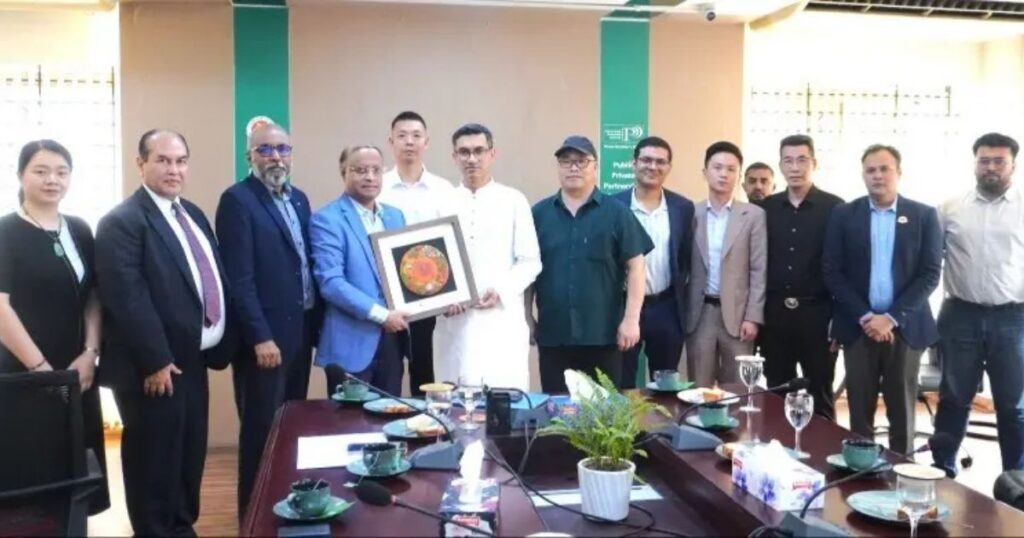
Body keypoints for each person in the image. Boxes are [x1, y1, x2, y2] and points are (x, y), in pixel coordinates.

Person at [95, 130, 235, 535]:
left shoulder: (191, 213)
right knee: (154, 466)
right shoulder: (122, 222)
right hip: (154, 370)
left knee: (188, 458)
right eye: (163, 160)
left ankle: (181, 527)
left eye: (180, 161)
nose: (174, 169)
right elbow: (128, 298)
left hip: (192, 362)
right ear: (140, 164)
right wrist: (156, 360)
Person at [215, 124, 321, 516]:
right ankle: (254, 519)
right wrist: (260, 336)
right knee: (261, 436)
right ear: (250, 156)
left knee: (291, 430)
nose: (275, 156)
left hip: (299, 335)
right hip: (265, 344)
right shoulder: (237, 201)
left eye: (282, 149)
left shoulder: (300, 200)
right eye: (265, 150)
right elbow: (238, 280)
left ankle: (288, 512)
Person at [0, 139, 109, 514]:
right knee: (32, 486)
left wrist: (90, 352)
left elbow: (93, 294)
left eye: (62, 172)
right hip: (24, 372)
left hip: (78, 371)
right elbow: (1, 309)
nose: (52, 180)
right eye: (41, 171)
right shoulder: (6, 232)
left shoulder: (79, 229)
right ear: (20, 175)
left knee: (78, 477)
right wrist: (42, 372)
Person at [823, 144, 941, 455]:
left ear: (898, 172)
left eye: (884, 169)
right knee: (859, 410)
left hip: (905, 328)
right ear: (863, 175)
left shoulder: (924, 215)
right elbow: (832, 271)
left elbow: (930, 274)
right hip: (858, 327)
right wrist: (866, 317)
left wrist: (890, 318)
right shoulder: (844, 214)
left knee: (902, 410)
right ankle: (861, 470)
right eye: (871, 170)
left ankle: (902, 470)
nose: (877, 175)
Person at [528, 135, 652, 392]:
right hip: (553, 335)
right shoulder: (538, 214)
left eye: (581, 161)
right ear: (558, 168)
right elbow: (528, 270)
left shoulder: (617, 213)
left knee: (605, 410)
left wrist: (631, 320)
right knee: (557, 409)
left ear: (595, 167)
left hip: (603, 335)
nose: (573, 167)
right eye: (566, 161)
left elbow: (637, 267)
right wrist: (527, 317)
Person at [932, 133, 1024, 475]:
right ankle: (943, 472)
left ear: (1013, 165)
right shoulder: (950, 208)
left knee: (1013, 406)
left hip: (1013, 318)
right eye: (984, 161)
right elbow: (929, 261)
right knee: (954, 399)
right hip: (961, 315)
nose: (991, 168)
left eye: (999, 161)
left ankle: (1015, 482)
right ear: (975, 164)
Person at [433, 123, 541, 391]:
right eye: (464, 152)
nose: (472, 159)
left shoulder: (513, 200)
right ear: (454, 157)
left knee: (504, 402)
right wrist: (443, 297)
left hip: (500, 320)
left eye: (479, 151)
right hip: (455, 321)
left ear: (492, 154)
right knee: (454, 400)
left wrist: (500, 291)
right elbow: (431, 262)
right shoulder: (441, 202)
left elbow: (530, 261)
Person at [310, 145, 408, 396]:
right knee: (349, 419)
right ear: (344, 172)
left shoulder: (395, 217)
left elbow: (406, 274)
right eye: (360, 170)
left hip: (392, 342)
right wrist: (382, 315)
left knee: (390, 414)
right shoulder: (327, 219)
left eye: (376, 170)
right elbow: (331, 283)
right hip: (350, 344)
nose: (370, 177)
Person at [759, 135, 844, 419]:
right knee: (776, 392)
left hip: (818, 315)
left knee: (820, 393)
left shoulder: (836, 208)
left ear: (814, 163)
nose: (795, 167)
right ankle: (777, 446)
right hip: (775, 316)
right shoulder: (766, 209)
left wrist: (839, 321)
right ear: (780, 166)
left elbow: (844, 268)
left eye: (802, 160)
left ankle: (823, 448)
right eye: (788, 161)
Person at [379, 111, 454, 396]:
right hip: (386, 298)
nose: (409, 142)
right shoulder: (378, 187)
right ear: (391, 142)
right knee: (387, 374)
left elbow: (453, 245)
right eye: (402, 136)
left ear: (426, 142)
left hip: (432, 298)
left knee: (426, 373)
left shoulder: (444, 189)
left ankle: (425, 424)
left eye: (416, 136)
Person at [614, 136, 694, 388]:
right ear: (634, 163)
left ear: (669, 167)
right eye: (646, 160)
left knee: (666, 386)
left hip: (666, 307)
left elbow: (686, 257)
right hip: (622, 307)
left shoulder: (683, 208)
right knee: (621, 382)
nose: (653, 166)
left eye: (660, 162)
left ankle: (663, 418)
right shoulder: (613, 205)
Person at [685, 141, 766, 387]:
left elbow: (758, 269)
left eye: (731, 169)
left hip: (738, 316)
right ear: (705, 172)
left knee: (739, 388)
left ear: (739, 175)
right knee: (698, 387)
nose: (724, 174)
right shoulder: (690, 212)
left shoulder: (753, 215)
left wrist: (753, 317)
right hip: (700, 314)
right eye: (718, 167)